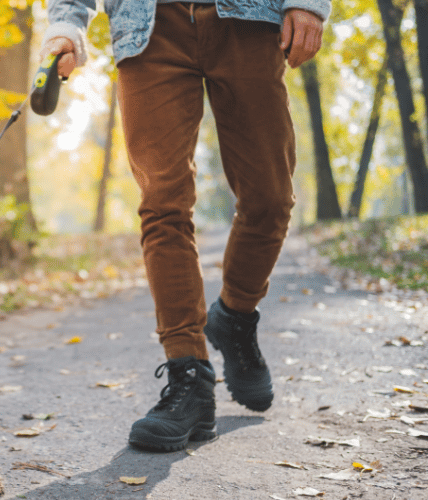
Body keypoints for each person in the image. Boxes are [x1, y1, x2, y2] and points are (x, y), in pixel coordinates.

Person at [39, 0, 329, 451]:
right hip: (148, 27)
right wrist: (65, 23)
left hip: (247, 19)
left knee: (270, 198)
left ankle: (234, 316)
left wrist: (308, 4)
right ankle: (188, 375)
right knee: (162, 204)